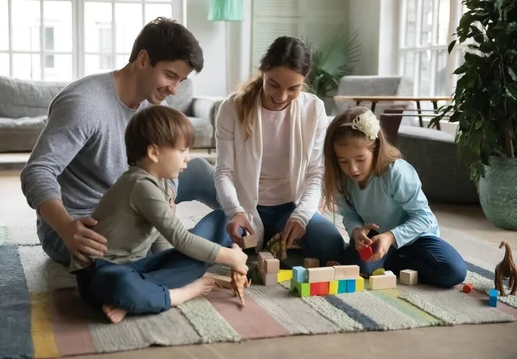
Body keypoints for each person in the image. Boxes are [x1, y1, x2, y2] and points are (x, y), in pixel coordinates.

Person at [21, 17, 219, 266]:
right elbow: (37, 171)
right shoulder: (84, 104)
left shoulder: (155, 106)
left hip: (139, 199)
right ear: (144, 60)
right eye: (170, 76)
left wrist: (167, 195)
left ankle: (251, 228)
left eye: (182, 80)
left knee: (199, 170)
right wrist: (65, 227)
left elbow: (167, 172)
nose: (175, 90)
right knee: (150, 257)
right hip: (85, 223)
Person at [71, 105, 247, 323]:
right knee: (123, 285)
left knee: (222, 220)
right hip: (101, 272)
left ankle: (138, 298)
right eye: (182, 151)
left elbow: (165, 238)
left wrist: (179, 262)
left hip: (136, 267)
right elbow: (180, 238)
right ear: (154, 153)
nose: (187, 159)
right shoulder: (140, 185)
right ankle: (175, 295)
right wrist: (231, 257)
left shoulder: (160, 182)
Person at [210, 36, 345, 264]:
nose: (281, 97)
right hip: (244, 207)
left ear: (304, 82)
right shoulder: (231, 108)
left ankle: (279, 239)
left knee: (332, 244)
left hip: (289, 208)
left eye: (293, 88)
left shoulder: (314, 109)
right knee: (199, 243)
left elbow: (315, 173)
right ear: (263, 71)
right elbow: (223, 172)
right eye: (273, 84)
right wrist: (235, 211)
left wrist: (302, 215)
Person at [321, 107, 467, 288]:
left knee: (454, 272)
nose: (352, 169)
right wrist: (356, 230)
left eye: (360, 159)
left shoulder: (395, 173)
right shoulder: (341, 178)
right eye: (343, 161)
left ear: (375, 149)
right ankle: (394, 261)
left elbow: (424, 218)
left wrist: (391, 237)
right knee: (356, 264)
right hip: (376, 237)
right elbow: (349, 214)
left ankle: (394, 261)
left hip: (417, 237)